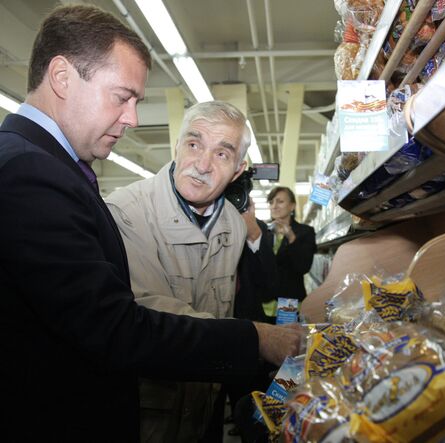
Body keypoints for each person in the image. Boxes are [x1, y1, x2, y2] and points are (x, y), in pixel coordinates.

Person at [0, 5, 301, 441]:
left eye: (222, 153)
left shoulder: (43, 166)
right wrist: (255, 339)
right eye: (122, 97)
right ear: (62, 77)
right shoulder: (30, 173)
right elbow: (116, 328)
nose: (133, 118)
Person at [105, 100, 277, 442]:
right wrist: (257, 338)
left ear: (239, 170)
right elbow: (145, 315)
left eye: (222, 155)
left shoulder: (234, 224)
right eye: (194, 144)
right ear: (177, 145)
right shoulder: (126, 211)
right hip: (146, 416)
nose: (202, 165)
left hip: (204, 409)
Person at [262, 186, 317, 321]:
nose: (274, 206)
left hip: (289, 303)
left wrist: (292, 238)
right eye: (271, 202)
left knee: (288, 339)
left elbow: (303, 267)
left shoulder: (305, 232)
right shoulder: (263, 231)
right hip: (264, 303)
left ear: (292, 206)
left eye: (280, 201)